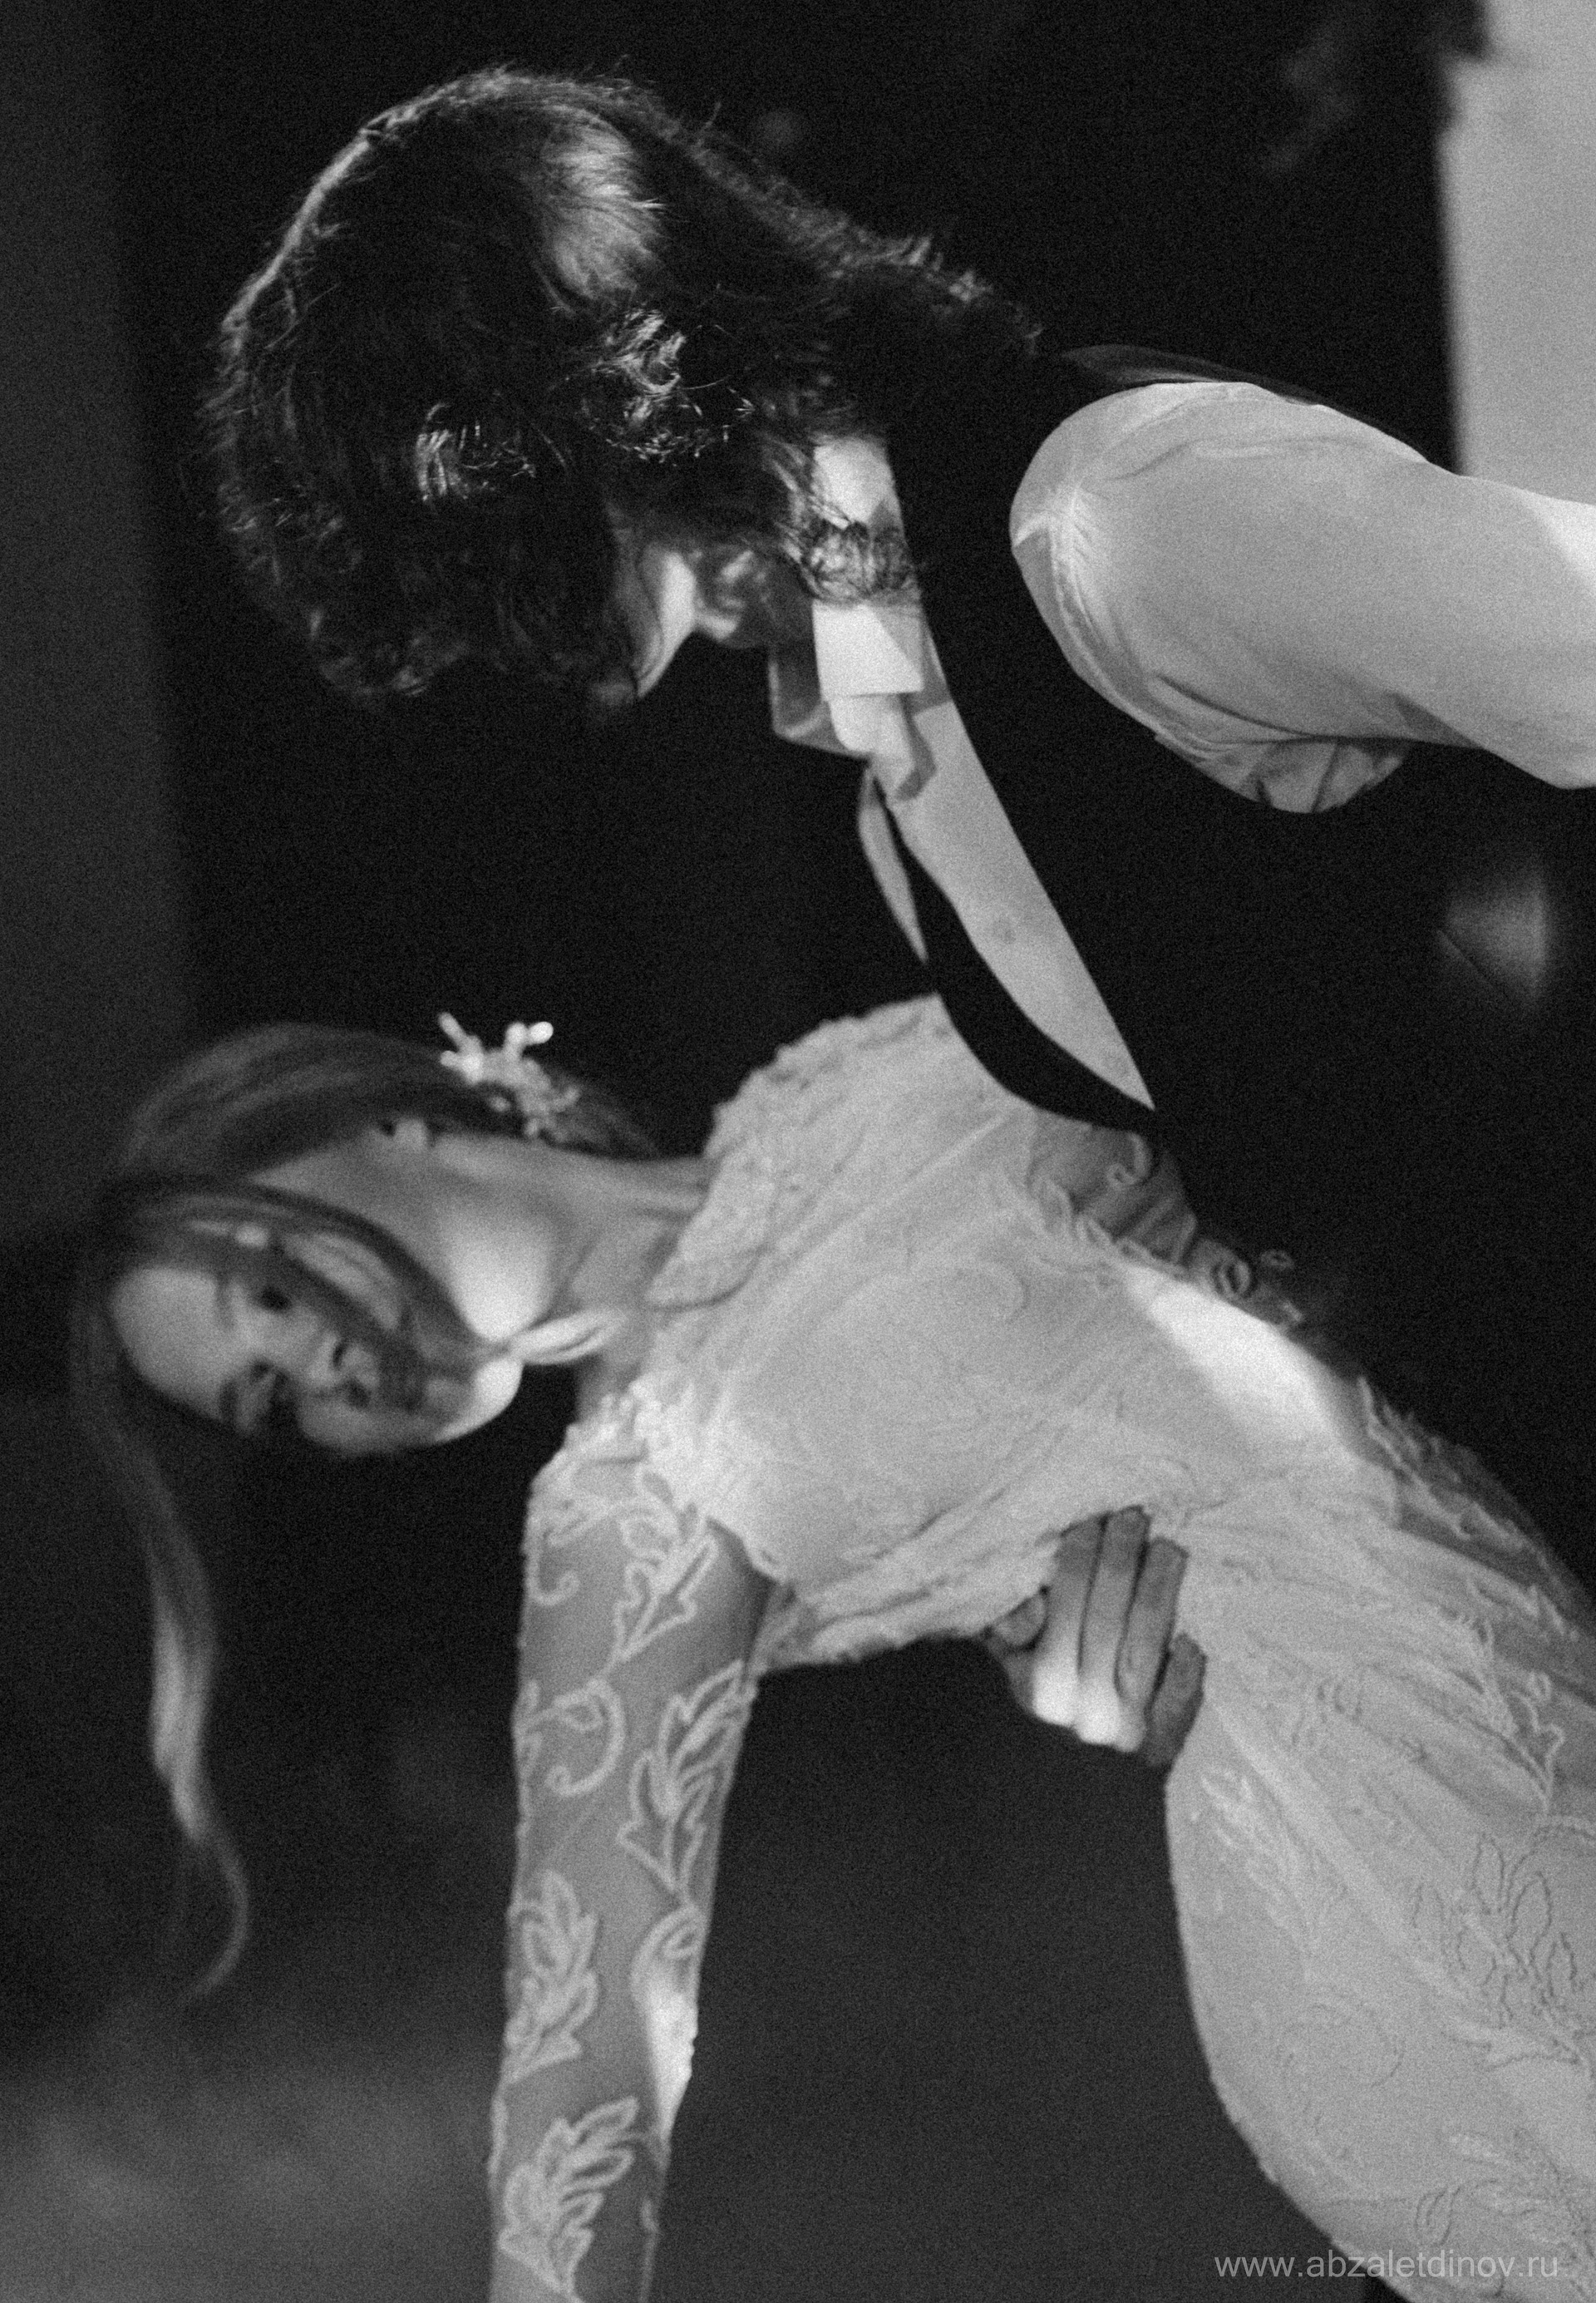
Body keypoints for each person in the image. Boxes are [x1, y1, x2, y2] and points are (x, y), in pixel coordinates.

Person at [206, 68, 1596, 1536]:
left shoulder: (1111, 527)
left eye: (478, 553)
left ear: (613, 392)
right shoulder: (897, 785)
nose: (486, 633)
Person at [81, 1003, 1596, 2302]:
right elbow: (585, 2062)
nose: (321, 1371)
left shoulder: (807, 1086)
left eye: (269, 1289)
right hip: (1391, 1840)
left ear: (365, 1120)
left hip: (1514, 1528)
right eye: (272, 1402)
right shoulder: (630, 1509)